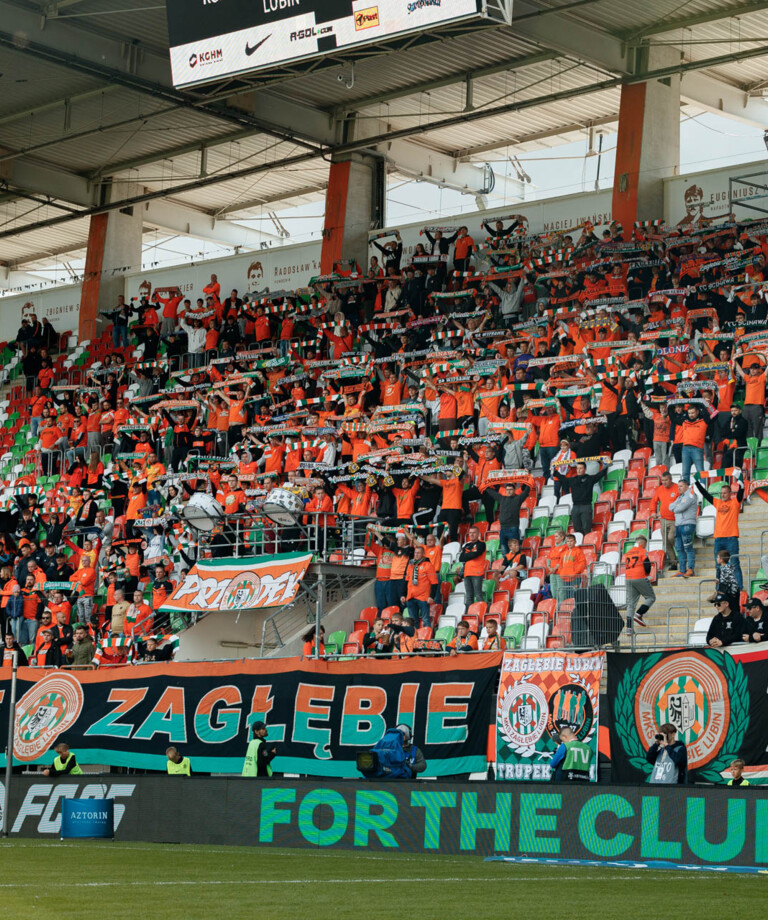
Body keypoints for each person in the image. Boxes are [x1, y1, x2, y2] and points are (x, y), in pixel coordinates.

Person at [695, 475, 745, 590]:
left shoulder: (735, 503)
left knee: (734, 564)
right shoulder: (717, 503)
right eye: (721, 493)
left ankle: (740, 588)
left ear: (730, 493)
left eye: (725, 493)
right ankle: (719, 589)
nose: (722, 495)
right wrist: (697, 482)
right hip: (718, 539)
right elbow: (705, 494)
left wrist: (739, 478)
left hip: (731, 538)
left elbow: (741, 492)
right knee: (718, 566)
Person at [552, 458, 609, 535]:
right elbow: (563, 479)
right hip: (575, 507)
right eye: (577, 468)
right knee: (577, 530)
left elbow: (600, 474)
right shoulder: (572, 479)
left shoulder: (590, 478)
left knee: (587, 529)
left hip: (586, 506)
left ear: (585, 469)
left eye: (581, 468)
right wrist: (554, 471)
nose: (578, 470)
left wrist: (606, 464)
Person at [623, 535, 655, 629]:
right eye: (645, 544)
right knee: (651, 597)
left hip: (628, 578)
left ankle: (629, 628)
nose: (645, 546)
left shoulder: (628, 553)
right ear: (642, 543)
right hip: (639, 576)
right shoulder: (642, 551)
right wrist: (647, 574)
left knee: (630, 604)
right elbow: (647, 565)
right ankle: (638, 614)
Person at [669, 480, 697, 577]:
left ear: (686, 486)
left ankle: (690, 569)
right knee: (679, 549)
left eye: (681, 486)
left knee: (688, 548)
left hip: (687, 524)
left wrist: (676, 507)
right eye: (678, 486)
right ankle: (682, 570)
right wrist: (677, 506)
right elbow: (670, 506)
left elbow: (679, 508)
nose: (679, 488)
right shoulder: (680, 497)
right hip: (678, 525)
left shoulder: (691, 495)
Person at [458, 525, 487, 612]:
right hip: (467, 573)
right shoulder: (467, 545)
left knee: (478, 595)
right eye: (470, 533)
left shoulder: (481, 544)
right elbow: (461, 558)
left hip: (477, 572)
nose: (471, 534)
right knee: (469, 596)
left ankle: (482, 612)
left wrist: (467, 555)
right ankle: (469, 614)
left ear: (478, 534)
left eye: (474, 533)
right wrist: (470, 555)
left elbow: (476, 554)